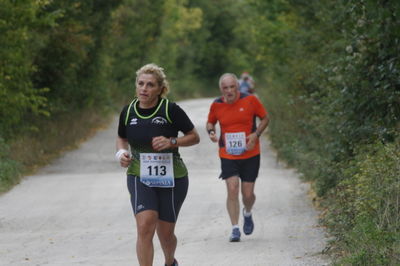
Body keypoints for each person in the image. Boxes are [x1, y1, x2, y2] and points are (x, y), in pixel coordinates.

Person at [116, 63, 200, 266]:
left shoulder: (170, 110)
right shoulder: (128, 112)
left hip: (173, 177)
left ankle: (170, 262)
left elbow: (194, 137)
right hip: (139, 174)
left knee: (166, 234)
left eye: (150, 85)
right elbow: (121, 137)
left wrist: (172, 141)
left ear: (160, 88)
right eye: (141, 83)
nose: (144, 88)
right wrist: (121, 153)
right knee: (145, 225)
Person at [206, 73, 269, 242]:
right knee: (232, 188)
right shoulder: (217, 105)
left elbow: (265, 118)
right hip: (227, 153)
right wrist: (211, 132)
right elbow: (210, 122)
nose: (229, 91)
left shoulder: (250, 100)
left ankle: (247, 212)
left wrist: (256, 135)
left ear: (237, 87)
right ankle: (235, 228)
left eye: (232, 87)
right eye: (225, 88)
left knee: (248, 194)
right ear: (221, 89)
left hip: (250, 153)